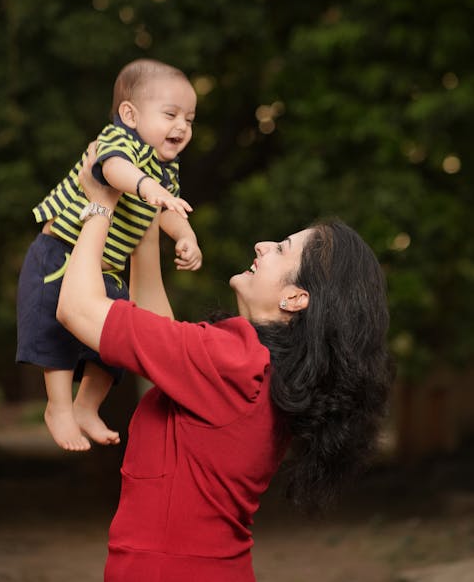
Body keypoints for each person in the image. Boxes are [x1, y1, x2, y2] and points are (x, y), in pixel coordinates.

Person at [55, 145, 393, 582]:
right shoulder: (261, 369)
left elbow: (77, 309)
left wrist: (99, 201)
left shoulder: (235, 360)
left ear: (295, 297)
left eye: (282, 249)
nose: (263, 245)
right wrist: (148, 226)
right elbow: (158, 336)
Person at [17, 59, 202, 452]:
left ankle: (87, 406)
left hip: (108, 268)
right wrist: (145, 186)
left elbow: (169, 209)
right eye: (170, 114)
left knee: (117, 340)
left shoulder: (165, 170)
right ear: (129, 114)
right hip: (60, 251)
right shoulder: (120, 142)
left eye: (189, 118)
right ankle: (59, 406)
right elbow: (112, 171)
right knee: (54, 330)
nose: (182, 126)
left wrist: (186, 237)